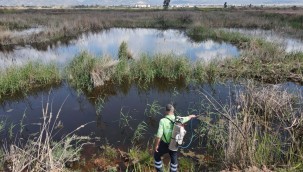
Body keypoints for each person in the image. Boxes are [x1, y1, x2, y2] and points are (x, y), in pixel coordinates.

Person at [153, 104, 196, 172]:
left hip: (164, 144)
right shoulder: (179, 119)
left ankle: (159, 170)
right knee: (173, 158)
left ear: (166, 111)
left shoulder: (162, 121)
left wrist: (156, 146)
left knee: (156, 155)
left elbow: (158, 136)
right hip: (174, 143)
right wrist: (191, 116)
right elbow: (187, 118)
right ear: (173, 111)